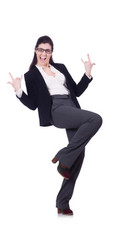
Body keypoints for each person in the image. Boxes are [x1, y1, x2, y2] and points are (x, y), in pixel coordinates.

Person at [7, 36, 101, 215]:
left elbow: (77, 91)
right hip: (56, 109)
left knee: (78, 155)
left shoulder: (61, 68)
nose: (44, 53)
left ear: (51, 52)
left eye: (47, 50)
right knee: (95, 119)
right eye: (41, 50)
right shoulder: (31, 75)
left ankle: (62, 202)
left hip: (72, 107)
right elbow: (33, 104)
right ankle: (62, 155)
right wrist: (18, 91)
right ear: (35, 50)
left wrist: (87, 74)